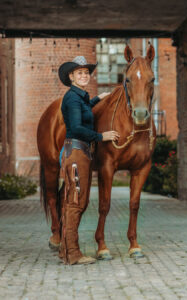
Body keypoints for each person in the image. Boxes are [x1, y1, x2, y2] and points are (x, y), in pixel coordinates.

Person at [58, 56, 119, 265]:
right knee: (76, 203)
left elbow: (83, 113)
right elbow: (76, 127)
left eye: (86, 73)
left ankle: (65, 251)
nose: (84, 76)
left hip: (79, 152)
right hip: (76, 152)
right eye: (79, 73)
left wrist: (96, 99)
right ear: (71, 76)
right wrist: (102, 137)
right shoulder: (73, 98)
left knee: (74, 202)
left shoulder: (80, 98)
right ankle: (72, 254)